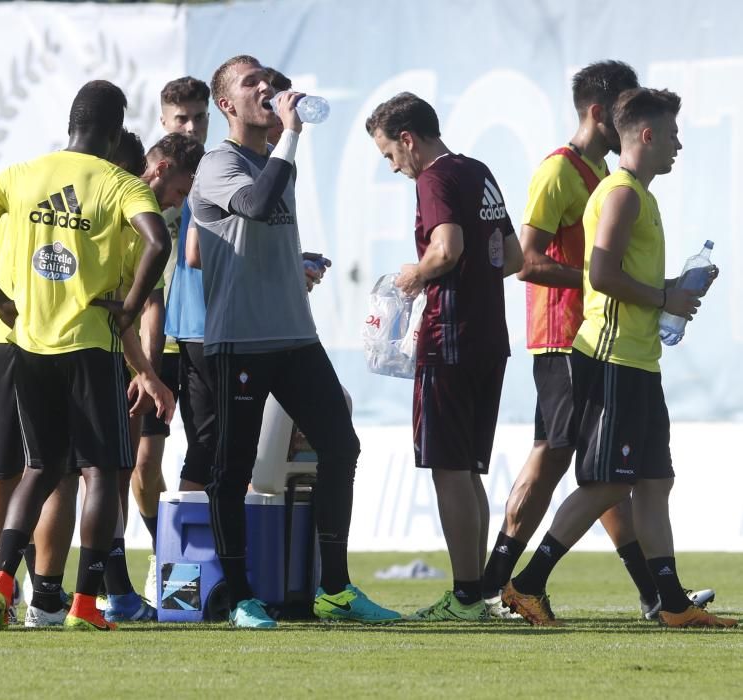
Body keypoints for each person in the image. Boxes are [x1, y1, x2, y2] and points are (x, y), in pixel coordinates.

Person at [0, 79, 174, 631]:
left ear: (71, 124)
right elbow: (158, 242)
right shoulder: (117, 183)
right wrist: (130, 305)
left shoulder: (20, 175)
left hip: (26, 345)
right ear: (116, 133)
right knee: (100, 471)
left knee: (38, 468)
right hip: (89, 344)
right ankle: (86, 605)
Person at [501, 87, 736, 629]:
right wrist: (663, 297)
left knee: (654, 481)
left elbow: (622, 276)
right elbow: (601, 274)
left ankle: (673, 605)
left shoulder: (639, 195)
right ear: (647, 135)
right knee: (608, 483)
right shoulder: (623, 192)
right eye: (672, 134)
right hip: (610, 360)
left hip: (639, 360)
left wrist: (676, 286)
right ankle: (526, 584)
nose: (679, 144)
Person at [189, 55, 398, 628]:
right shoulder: (217, 163)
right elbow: (254, 207)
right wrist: (292, 135)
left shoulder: (275, 159)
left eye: (270, 81)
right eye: (251, 84)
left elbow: (258, 233)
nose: (267, 89)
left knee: (341, 446)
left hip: (294, 335)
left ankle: (334, 587)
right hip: (240, 341)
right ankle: (238, 597)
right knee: (232, 470)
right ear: (227, 105)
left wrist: (294, 264)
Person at [366, 92, 523, 621]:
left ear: (408, 139)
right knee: (468, 471)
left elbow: (447, 248)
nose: (393, 167)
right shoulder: (478, 170)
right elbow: (512, 257)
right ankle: (474, 593)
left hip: (449, 338)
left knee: (448, 470)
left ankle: (463, 596)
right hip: (489, 338)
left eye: (390, 154)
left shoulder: (433, 178)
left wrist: (414, 274)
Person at [138, 76, 212, 606]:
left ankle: (193, 570)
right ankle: (156, 553)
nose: (191, 126)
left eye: (199, 118)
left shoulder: (218, 177)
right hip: (149, 342)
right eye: (181, 119)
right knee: (141, 462)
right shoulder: (139, 189)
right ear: (164, 123)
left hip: (204, 337)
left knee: (207, 456)